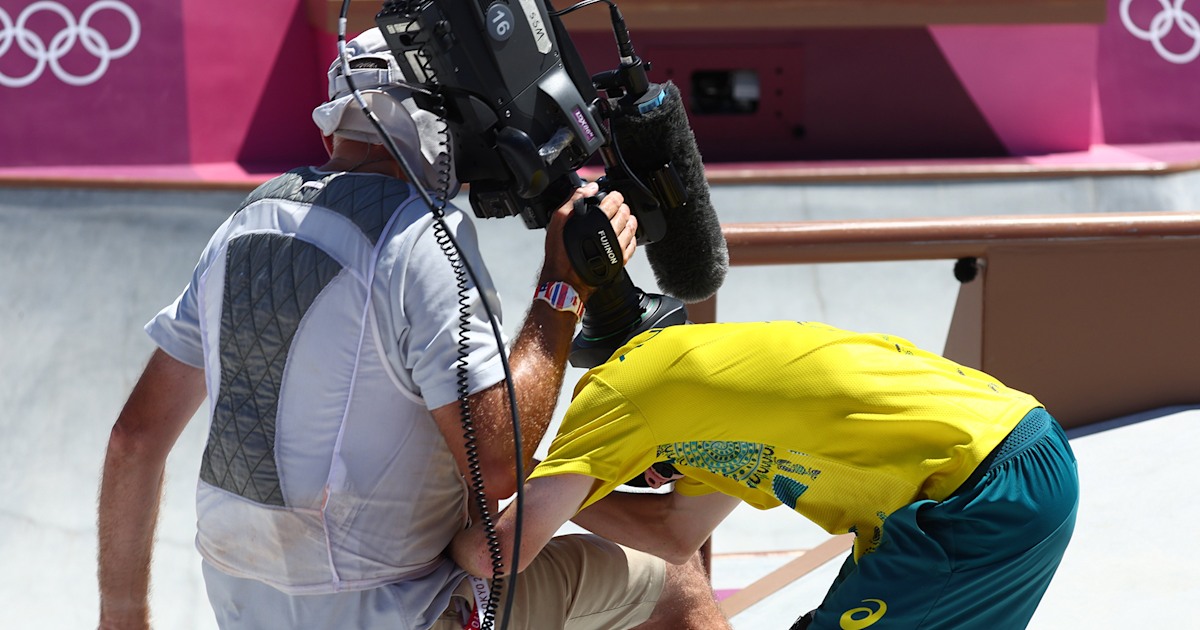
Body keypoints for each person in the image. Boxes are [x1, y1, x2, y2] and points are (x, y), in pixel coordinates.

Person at [97, 28, 729, 630]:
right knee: (678, 588)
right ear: (437, 126)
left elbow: (134, 439)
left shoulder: (242, 225)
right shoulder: (422, 239)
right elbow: (497, 467)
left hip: (243, 609)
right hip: (403, 611)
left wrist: (122, 618)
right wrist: (562, 287)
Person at [451, 320, 1080, 629]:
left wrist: (524, 478)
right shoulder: (707, 399)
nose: (654, 482)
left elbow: (494, 553)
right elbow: (675, 534)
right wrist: (577, 491)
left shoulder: (618, 397)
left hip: (977, 491)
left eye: (634, 476)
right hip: (1020, 463)